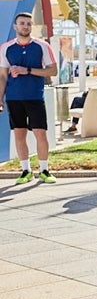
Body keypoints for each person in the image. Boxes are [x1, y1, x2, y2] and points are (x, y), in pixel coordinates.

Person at [1, 12, 59, 184]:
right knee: (19, 135)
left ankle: (44, 170)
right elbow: (2, 76)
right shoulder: (6, 48)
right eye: (22, 23)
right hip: (13, 98)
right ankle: (25, 170)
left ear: (31, 26)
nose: (25, 26)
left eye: (28, 23)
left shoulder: (42, 46)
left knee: (40, 133)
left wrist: (28, 71)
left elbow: (52, 71)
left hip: (35, 97)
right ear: (15, 26)